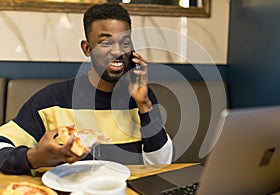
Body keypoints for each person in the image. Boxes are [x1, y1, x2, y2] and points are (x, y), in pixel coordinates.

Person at [0, 3, 173, 175]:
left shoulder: (142, 99)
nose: (118, 51)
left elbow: (161, 164)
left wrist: (144, 105)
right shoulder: (50, 101)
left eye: (125, 42)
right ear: (87, 48)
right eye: (105, 42)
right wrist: (33, 157)